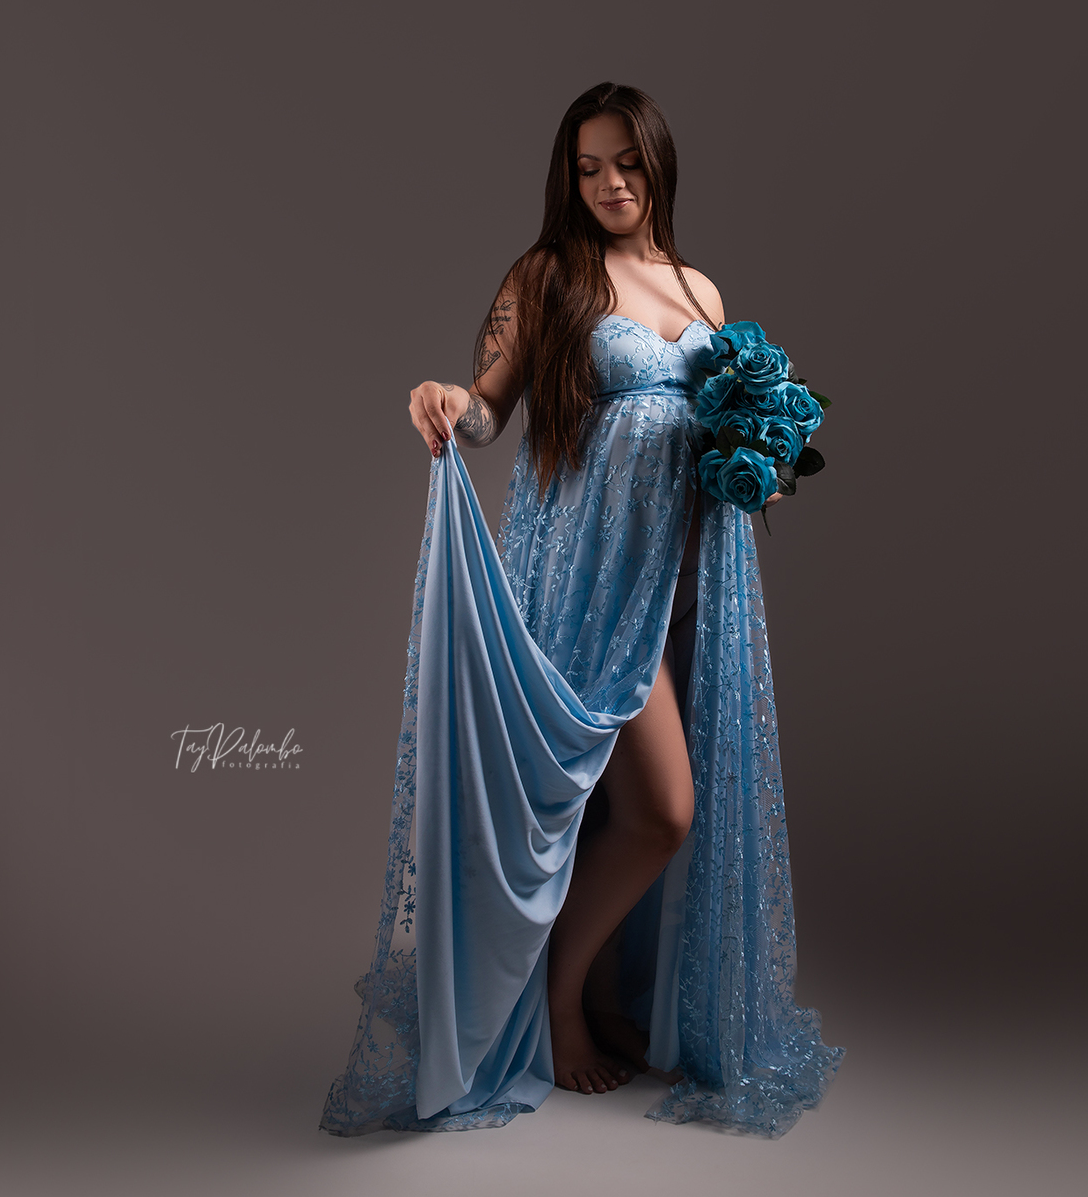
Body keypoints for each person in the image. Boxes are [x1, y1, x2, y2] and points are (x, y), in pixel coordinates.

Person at [320, 82, 842, 1138]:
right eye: (589, 166)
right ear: (570, 176)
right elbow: (490, 407)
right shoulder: (549, 276)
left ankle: (603, 990)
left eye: (627, 163)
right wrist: (448, 401)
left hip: (700, 581)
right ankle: (559, 998)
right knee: (660, 812)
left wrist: (767, 463)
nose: (609, 184)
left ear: (658, 165)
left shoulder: (698, 286)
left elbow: (721, 425)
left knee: (633, 809)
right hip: (602, 588)